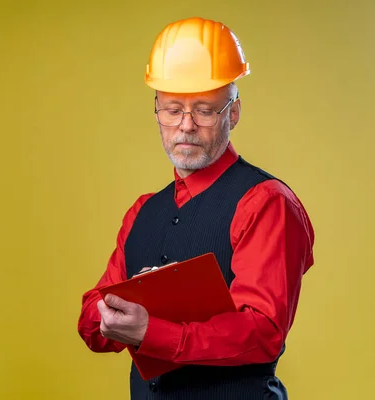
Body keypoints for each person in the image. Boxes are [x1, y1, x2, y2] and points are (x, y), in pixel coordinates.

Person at [77, 16, 315, 399]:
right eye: (172, 110)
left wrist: (150, 331)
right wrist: (112, 313)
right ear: (157, 112)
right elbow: (92, 325)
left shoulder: (265, 203)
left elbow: (263, 333)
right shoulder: (142, 212)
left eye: (204, 110)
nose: (186, 126)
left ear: (233, 113)